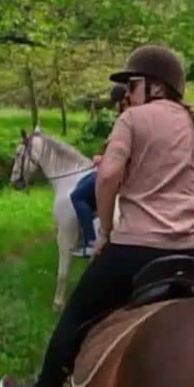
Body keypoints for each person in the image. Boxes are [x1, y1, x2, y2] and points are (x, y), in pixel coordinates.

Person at [0, 46, 194, 387]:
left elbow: (108, 178)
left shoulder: (133, 120)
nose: (126, 94)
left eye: (133, 84)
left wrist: (107, 236)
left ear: (157, 88)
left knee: (75, 317)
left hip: (136, 249)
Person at [68, 82, 134, 257]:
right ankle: (87, 223)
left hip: (112, 171)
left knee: (76, 196)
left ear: (122, 101)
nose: (114, 107)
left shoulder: (126, 119)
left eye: (115, 103)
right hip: (108, 166)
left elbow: (121, 154)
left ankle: (89, 241)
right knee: (82, 183)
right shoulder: (129, 117)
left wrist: (102, 159)